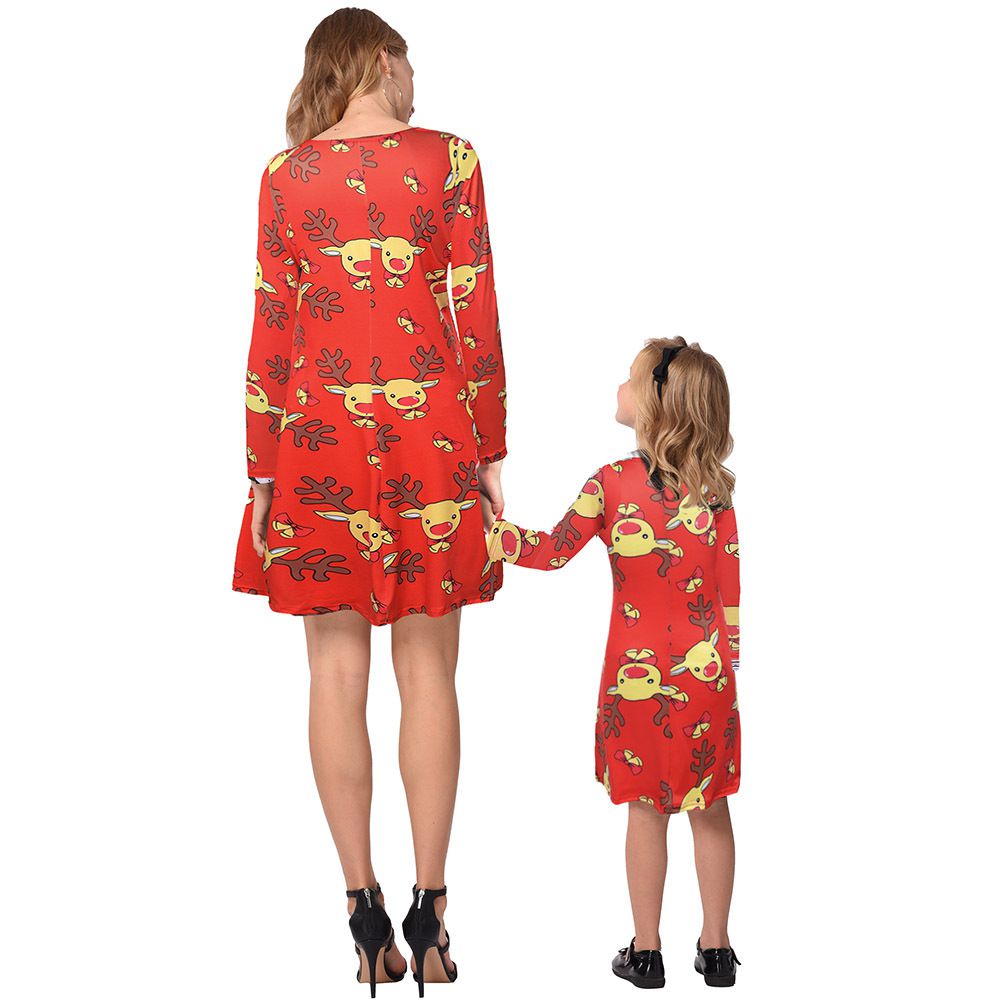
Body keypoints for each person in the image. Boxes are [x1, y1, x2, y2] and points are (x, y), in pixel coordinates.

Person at [231, 9, 507, 996]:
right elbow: (474, 311)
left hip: (317, 444)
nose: (416, 82)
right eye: (410, 63)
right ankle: (430, 914)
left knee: (333, 671)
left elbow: (273, 327)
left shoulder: (285, 176)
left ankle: (362, 913)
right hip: (432, 432)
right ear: (381, 60)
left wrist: (261, 469)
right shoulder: (451, 160)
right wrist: (488, 451)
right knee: (429, 670)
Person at [486, 337, 742, 989]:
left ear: (656, 404)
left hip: (636, 682)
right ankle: (716, 949)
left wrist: (493, 538)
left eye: (629, 379)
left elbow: (551, 550)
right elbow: (729, 589)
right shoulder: (716, 492)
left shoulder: (612, 484)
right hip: (707, 678)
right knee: (710, 809)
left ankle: (646, 952)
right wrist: (729, 664)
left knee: (646, 812)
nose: (619, 387)